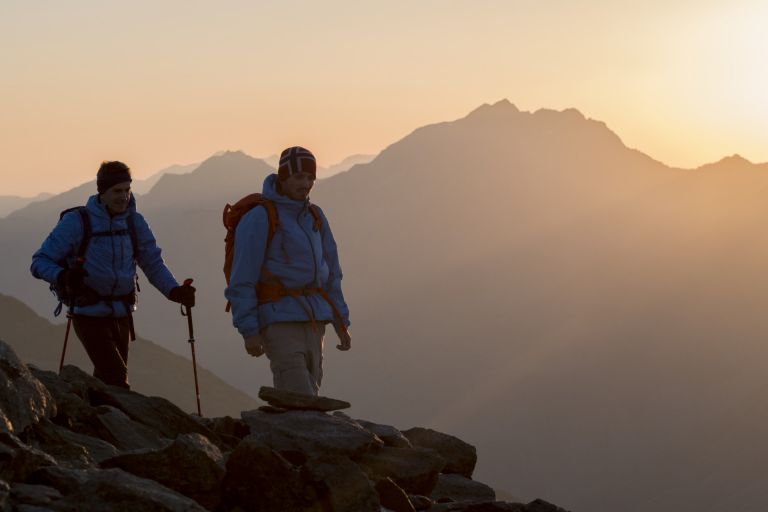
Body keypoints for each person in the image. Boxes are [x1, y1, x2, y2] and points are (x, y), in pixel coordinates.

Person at [31, 161, 195, 388]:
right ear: (102, 192)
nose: (124, 197)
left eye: (127, 190)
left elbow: (152, 264)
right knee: (117, 378)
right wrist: (63, 276)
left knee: (107, 382)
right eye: (117, 191)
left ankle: (92, 418)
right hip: (87, 312)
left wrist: (174, 290)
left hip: (122, 314)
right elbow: (39, 262)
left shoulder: (134, 223)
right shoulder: (77, 222)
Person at [225, 146, 351, 396]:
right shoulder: (260, 217)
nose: (306, 184)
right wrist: (249, 330)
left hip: (315, 322)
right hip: (279, 320)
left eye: (310, 177)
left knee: (310, 396)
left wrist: (340, 320)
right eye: (299, 177)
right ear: (283, 177)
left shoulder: (315, 216)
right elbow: (242, 278)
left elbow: (332, 272)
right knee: (299, 398)